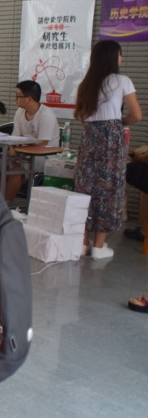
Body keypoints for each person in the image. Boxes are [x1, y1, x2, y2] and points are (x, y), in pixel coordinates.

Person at [73, 40, 142, 260]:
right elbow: (137, 115)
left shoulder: (85, 84)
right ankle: (99, 246)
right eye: (120, 54)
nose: (122, 58)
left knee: (85, 186)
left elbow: (81, 116)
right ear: (113, 57)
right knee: (109, 187)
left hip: (89, 137)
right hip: (112, 138)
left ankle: (82, 243)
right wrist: (119, 122)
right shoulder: (122, 81)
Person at [0, 80, 60, 201]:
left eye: (18, 95)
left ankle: (5, 203)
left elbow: (43, 143)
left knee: (17, 168)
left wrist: (19, 153)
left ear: (28, 99)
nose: (15, 99)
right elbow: (14, 137)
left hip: (43, 157)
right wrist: (12, 150)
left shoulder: (46, 115)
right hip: (21, 152)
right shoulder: (20, 112)